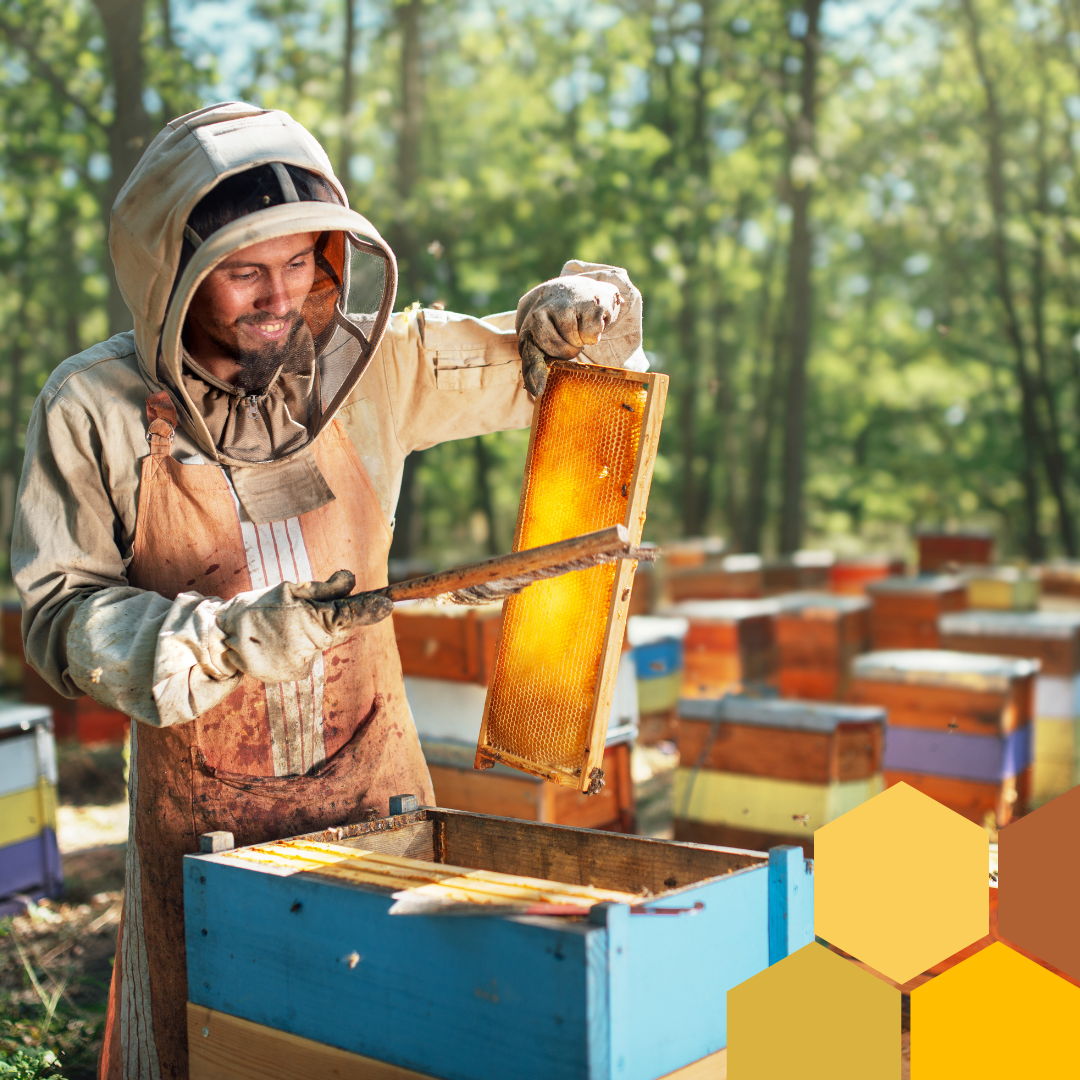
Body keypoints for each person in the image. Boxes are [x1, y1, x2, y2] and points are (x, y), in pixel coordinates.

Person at [11, 102, 644, 1080]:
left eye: (302, 263)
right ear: (170, 272)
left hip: (378, 789)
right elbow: (57, 615)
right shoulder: (93, 408)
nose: (279, 296)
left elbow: (551, 371)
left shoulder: (376, 364)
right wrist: (214, 641)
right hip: (200, 830)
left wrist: (575, 311)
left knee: (388, 1041)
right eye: (244, 272)